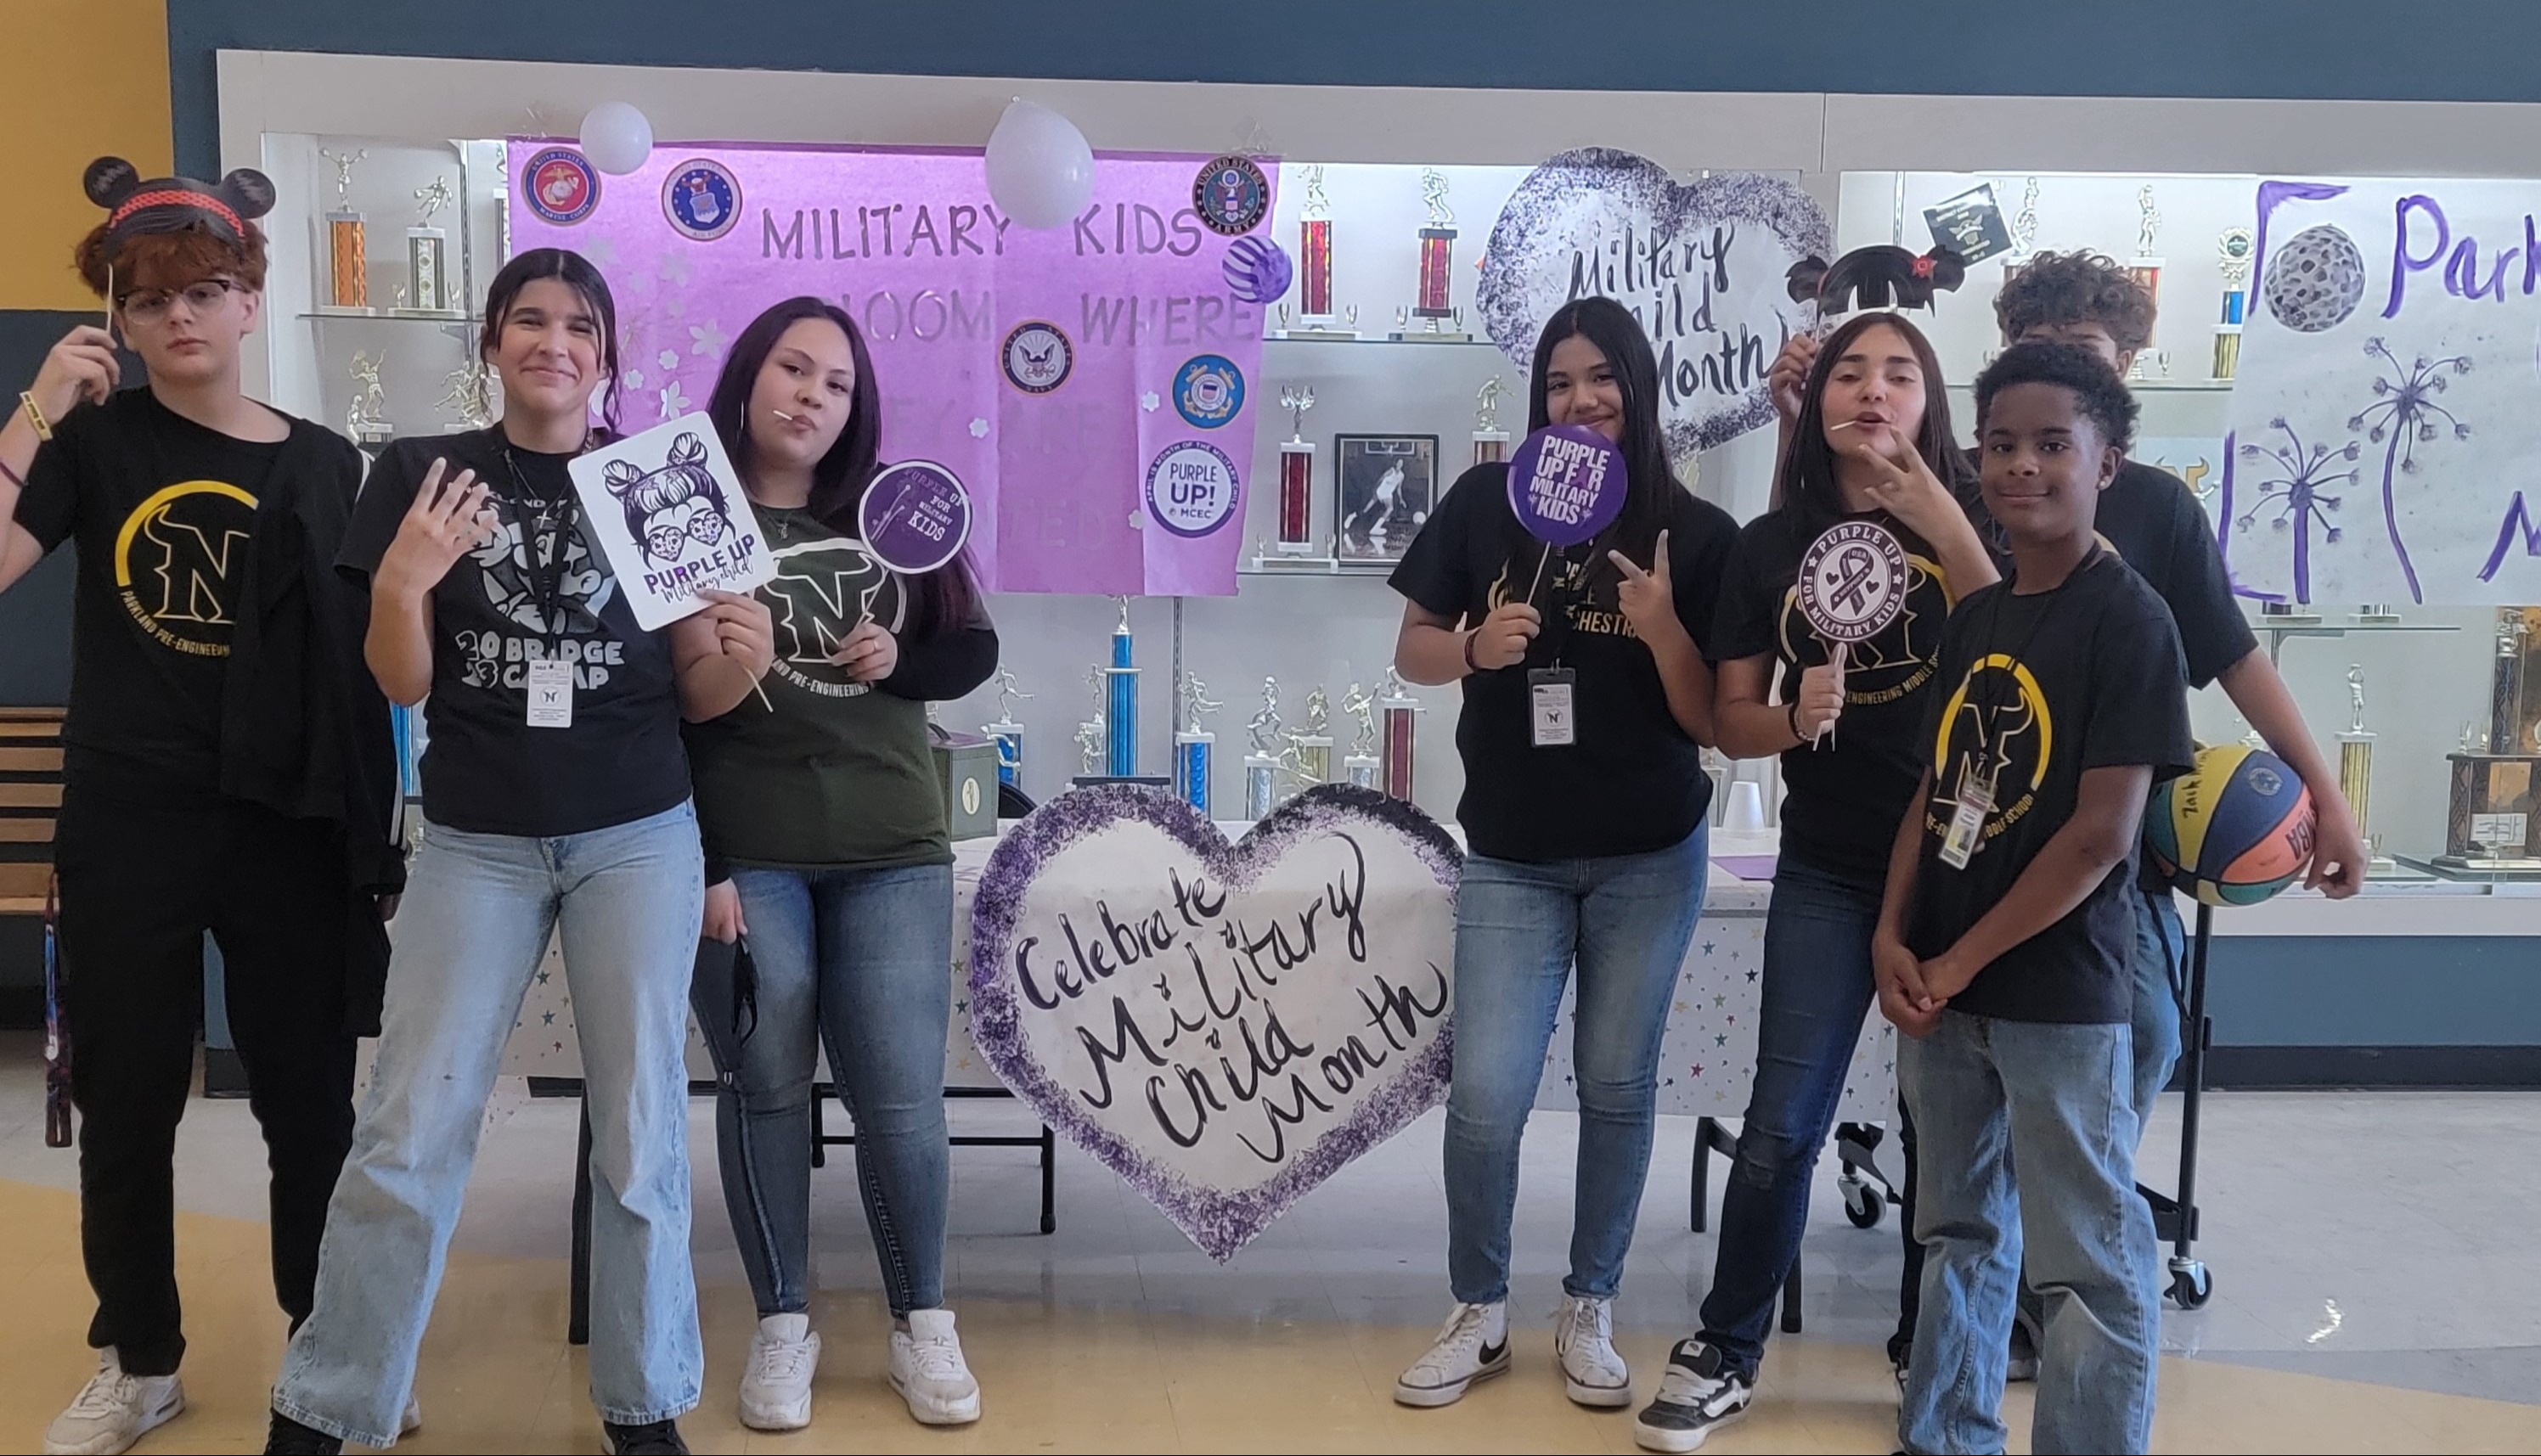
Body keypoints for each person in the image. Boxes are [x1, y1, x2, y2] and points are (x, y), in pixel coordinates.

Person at [263, 249, 774, 1456]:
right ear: (491, 342)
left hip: (638, 837)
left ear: (609, 355)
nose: (555, 342)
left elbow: (701, 697)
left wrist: (742, 649)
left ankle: (645, 1410)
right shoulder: (420, 474)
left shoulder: (662, 478)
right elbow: (405, 679)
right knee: (408, 1125)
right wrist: (403, 581)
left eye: (581, 326)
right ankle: (329, 1406)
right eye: (530, 321)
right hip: (477, 843)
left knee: (642, 1127)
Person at [3, 159, 402, 1456]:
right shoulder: (94, 449)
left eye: (209, 291)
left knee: (308, 1104)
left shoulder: (332, 464)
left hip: (286, 825)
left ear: (250, 302)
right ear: (118, 320)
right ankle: (138, 1357)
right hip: (130, 820)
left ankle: (325, 1350)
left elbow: (386, 651)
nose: (182, 317)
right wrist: (30, 414)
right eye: (153, 298)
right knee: (125, 1099)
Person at [1631, 309, 1995, 1453]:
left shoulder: (1976, 516)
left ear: (1932, 401)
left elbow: (2018, 640)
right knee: (1784, 1123)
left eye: (1901, 374)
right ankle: (1727, 1346)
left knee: (1944, 1134)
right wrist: (1792, 718)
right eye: (1851, 371)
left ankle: (1923, 1352)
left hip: (1966, 870)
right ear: (1818, 397)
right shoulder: (1769, 544)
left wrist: (1933, 510)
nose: (1875, 392)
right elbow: (1730, 719)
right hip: (1831, 866)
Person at [1386, 296, 1738, 1411]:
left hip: (1649, 854)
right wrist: (1477, 648)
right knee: (1486, 1092)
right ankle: (1479, 1311)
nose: (1580, 401)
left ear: (1638, 389)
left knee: (1617, 1085)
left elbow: (1713, 724)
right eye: (1558, 382)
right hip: (1513, 854)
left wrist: (1664, 628)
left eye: (1602, 379)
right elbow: (1413, 651)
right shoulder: (1490, 503)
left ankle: (1589, 1306)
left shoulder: (1694, 529)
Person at [683, 297, 998, 1431]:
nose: (813, 394)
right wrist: (705, 862)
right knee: (764, 1082)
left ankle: (925, 1325)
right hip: (747, 851)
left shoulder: (891, 512)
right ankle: (782, 1325)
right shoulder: (692, 516)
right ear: (748, 376)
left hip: (890, 851)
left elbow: (973, 646)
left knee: (901, 1097)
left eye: (839, 383)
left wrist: (900, 656)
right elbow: (659, 711)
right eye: (794, 368)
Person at [1877, 340, 2193, 1456]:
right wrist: (1892, 937)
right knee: (1955, 1229)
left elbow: (2102, 836)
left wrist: (1962, 964)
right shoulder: (1980, 616)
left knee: (2087, 1260)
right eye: (2002, 445)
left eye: (2053, 444)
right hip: (1940, 991)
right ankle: (1946, 1433)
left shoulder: (2133, 620)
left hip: (2058, 998)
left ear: (2108, 461)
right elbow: (1935, 789)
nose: (2023, 467)